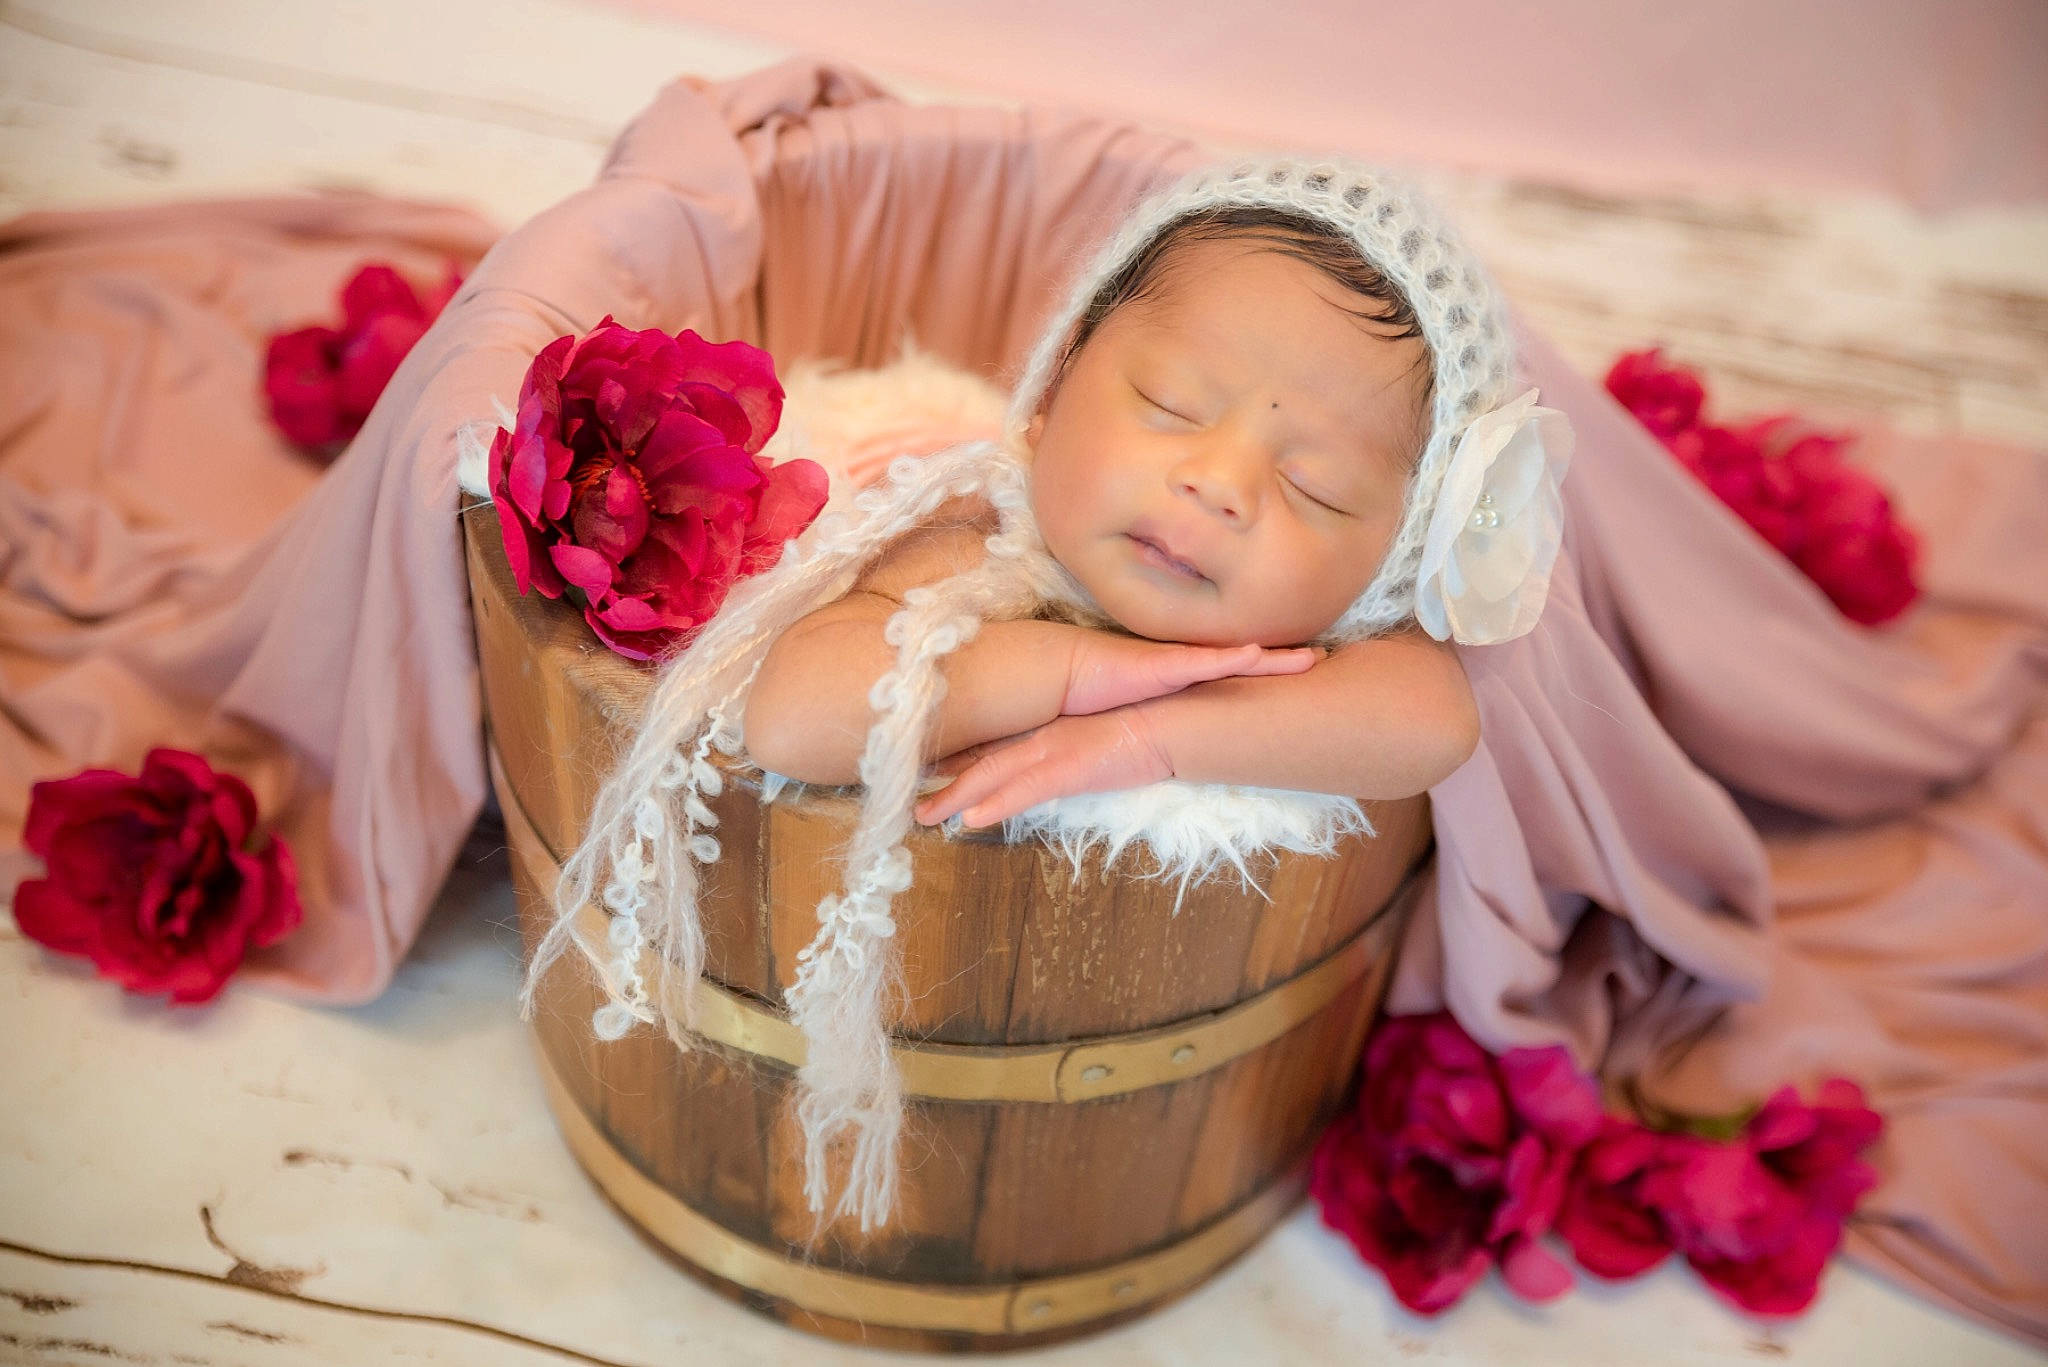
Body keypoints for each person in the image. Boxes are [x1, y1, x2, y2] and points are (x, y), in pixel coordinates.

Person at [525, 158, 1574, 1230]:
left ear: (1390, 560)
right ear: (1057, 384)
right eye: (1169, 404)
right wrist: (1067, 669)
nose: (1216, 482)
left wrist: (1151, 737)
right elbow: (794, 714)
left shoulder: (1328, 643)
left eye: (1316, 487)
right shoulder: (990, 536)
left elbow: (1436, 719)